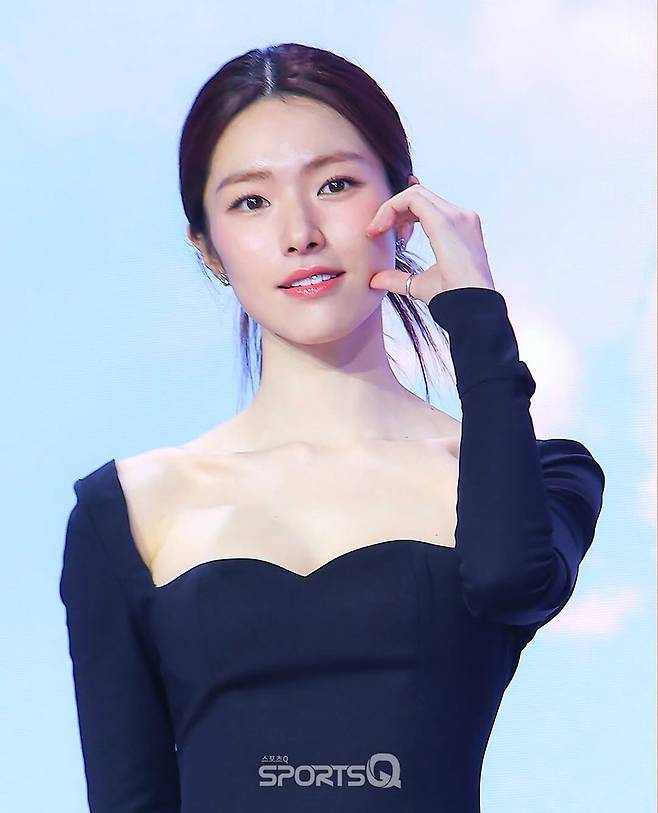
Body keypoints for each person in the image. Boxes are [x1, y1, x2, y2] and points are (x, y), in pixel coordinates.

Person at [59, 42, 606, 812]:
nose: (300, 232)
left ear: (406, 209)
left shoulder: (537, 474)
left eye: (336, 184)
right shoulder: (127, 508)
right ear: (207, 247)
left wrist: (478, 318)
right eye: (251, 202)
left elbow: (509, 580)